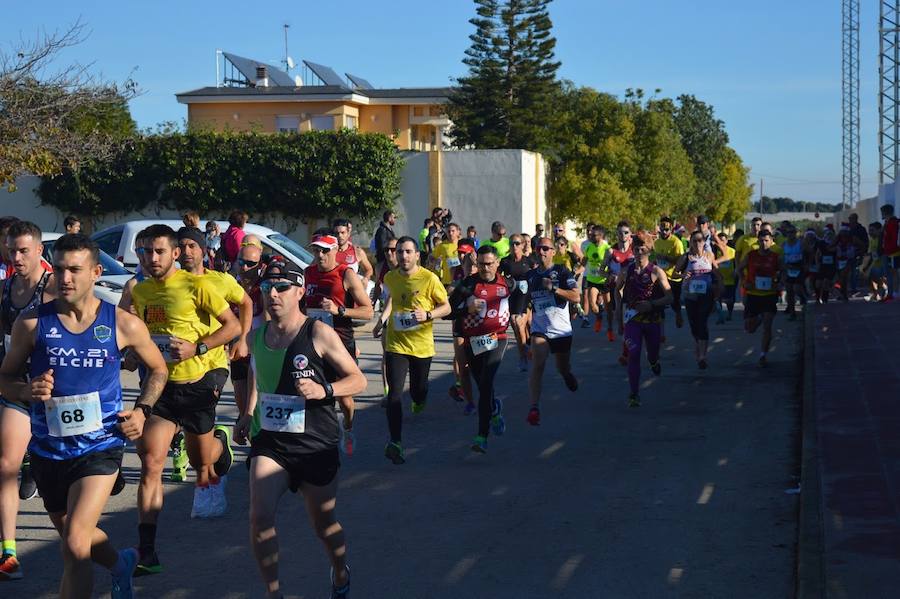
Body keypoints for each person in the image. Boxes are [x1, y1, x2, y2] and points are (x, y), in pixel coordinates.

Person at [0, 233, 169, 598]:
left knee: (74, 544)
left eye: (74, 270)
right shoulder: (31, 324)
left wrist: (142, 410)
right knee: (77, 536)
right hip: (47, 449)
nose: (65, 279)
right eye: (59, 269)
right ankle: (120, 563)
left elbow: (158, 369)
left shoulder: (123, 323)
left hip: (100, 445)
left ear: (95, 273)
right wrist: (26, 391)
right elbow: (6, 378)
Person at [233, 266, 366, 599]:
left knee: (324, 525)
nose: (273, 294)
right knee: (259, 516)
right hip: (271, 442)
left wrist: (325, 390)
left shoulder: (318, 333)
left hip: (315, 444)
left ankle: (339, 569)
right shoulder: (256, 335)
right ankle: (273, 593)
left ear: (299, 291)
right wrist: (247, 414)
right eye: (267, 286)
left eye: (281, 287)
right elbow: (256, 375)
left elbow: (358, 380)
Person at [129, 224, 240, 575]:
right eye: (145, 251)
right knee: (151, 462)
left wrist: (198, 347)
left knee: (200, 460)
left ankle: (220, 445)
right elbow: (133, 329)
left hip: (196, 385)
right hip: (160, 388)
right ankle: (146, 550)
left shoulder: (197, 286)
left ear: (175, 253)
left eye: (158, 251)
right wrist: (132, 351)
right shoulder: (139, 290)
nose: (151, 258)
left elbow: (233, 325)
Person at [0, 221, 57, 580]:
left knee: (59, 475)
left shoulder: (53, 289)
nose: (16, 257)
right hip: (17, 387)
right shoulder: (5, 289)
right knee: (5, 463)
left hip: (56, 392)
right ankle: (8, 550)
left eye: (23, 250)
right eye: (11, 249)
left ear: (39, 251)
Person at [381, 237, 450, 464]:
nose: (403, 256)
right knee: (394, 395)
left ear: (417, 255)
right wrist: (381, 320)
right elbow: (391, 298)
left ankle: (420, 398)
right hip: (396, 343)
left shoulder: (429, 278)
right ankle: (396, 442)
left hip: (421, 345)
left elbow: (446, 306)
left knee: (418, 390)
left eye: (408, 251)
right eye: (400, 252)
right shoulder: (390, 277)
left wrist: (428, 315)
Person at [303, 231, 373, 455]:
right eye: (316, 250)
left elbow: (368, 312)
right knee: (313, 394)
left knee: (344, 398)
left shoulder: (346, 274)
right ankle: (320, 439)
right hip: (312, 343)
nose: (320, 255)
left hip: (340, 343)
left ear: (335, 251)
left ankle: (348, 426)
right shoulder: (308, 273)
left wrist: (339, 310)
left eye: (325, 250)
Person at [447, 245, 511, 453]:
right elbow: (448, 312)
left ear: (497, 263)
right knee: (481, 384)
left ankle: (482, 436)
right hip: (473, 341)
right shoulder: (468, 285)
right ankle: (494, 409)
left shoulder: (507, 283)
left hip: (497, 338)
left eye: (489, 263)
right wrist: (467, 308)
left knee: (485, 383)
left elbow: (520, 297)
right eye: (481, 264)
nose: (485, 268)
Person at [524, 237, 580, 426]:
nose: (542, 251)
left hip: (561, 331)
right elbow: (526, 301)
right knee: (538, 364)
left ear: (553, 252)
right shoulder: (530, 276)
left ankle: (566, 375)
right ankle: (534, 407)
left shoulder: (562, 271)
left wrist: (555, 289)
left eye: (546, 248)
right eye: (539, 248)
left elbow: (576, 297)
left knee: (562, 368)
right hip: (540, 330)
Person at [615, 232, 672, 407]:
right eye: (637, 249)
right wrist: (619, 317)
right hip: (633, 321)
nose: (639, 253)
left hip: (652, 321)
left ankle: (654, 361)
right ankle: (634, 393)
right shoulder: (626, 271)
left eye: (643, 250)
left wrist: (652, 304)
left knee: (652, 353)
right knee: (633, 354)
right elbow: (617, 292)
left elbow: (669, 297)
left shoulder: (656, 271)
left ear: (649, 251)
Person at [674, 231, 721, 369]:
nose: (698, 243)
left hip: (706, 295)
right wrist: (683, 275)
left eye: (700, 240)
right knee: (694, 325)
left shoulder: (709, 256)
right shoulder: (686, 257)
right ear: (691, 243)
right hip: (690, 296)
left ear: (704, 241)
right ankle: (698, 344)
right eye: (694, 240)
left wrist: (718, 289)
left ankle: (702, 356)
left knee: (702, 322)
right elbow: (674, 273)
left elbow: (716, 273)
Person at [738, 229, 782, 366]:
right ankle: (759, 318)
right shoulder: (751, 255)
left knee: (767, 326)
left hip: (769, 295)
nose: (764, 243)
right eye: (761, 240)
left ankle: (763, 354)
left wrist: (780, 284)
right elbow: (739, 269)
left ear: (771, 241)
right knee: (750, 328)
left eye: (767, 240)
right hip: (753, 295)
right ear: (758, 241)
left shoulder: (775, 256)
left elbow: (783, 271)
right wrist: (744, 282)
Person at [499, 233, 537, 372]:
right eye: (511, 243)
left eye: (517, 243)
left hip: (526, 297)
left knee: (520, 322)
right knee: (516, 327)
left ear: (522, 245)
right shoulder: (505, 262)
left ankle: (523, 355)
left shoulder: (529, 261)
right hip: (511, 297)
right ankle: (525, 348)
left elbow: (536, 276)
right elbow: (498, 278)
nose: (514, 246)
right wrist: (509, 283)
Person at [601, 221, 635, 350]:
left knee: (628, 315)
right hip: (616, 286)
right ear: (617, 234)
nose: (623, 235)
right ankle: (620, 327)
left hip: (630, 286)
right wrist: (609, 276)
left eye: (626, 232)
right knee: (619, 313)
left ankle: (626, 346)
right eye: (620, 232)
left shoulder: (634, 249)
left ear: (630, 234)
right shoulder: (611, 251)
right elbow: (601, 270)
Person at [653, 216, 685, 331]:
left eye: (667, 229)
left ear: (671, 229)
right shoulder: (656, 242)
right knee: (659, 305)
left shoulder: (676, 242)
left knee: (674, 302)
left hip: (673, 278)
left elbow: (681, 261)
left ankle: (678, 313)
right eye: (662, 228)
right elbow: (654, 260)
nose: (664, 231)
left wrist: (666, 258)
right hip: (660, 278)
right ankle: (661, 331)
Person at [332, 218, 374, 288]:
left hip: (352, 292)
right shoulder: (328, 252)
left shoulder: (357, 252)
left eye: (342, 233)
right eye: (337, 233)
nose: (339, 236)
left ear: (348, 234)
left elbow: (369, 269)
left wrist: (366, 279)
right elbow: (312, 267)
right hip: (333, 291)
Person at [780, 224, 805, 320]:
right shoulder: (783, 245)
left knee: (797, 288)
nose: (791, 234)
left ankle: (802, 296)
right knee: (789, 292)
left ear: (796, 233)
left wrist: (807, 264)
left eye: (793, 232)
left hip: (799, 269)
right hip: (788, 269)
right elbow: (781, 258)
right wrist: (782, 269)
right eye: (789, 232)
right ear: (786, 234)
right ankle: (792, 312)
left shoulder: (801, 243)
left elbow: (809, 253)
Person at [373, 210, 397, 302]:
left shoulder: (388, 229)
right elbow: (382, 247)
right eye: (394, 217)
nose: (394, 220)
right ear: (389, 217)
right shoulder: (382, 230)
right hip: (385, 262)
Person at [713, 232, 737, 321]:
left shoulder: (732, 251)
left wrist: (736, 270)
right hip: (719, 278)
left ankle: (730, 314)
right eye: (719, 241)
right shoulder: (714, 251)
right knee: (718, 297)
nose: (721, 243)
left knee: (729, 300)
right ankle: (720, 315)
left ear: (726, 241)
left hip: (730, 279)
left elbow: (736, 263)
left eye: (723, 240)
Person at [430, 223, 463, 287]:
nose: (450, 233)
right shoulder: (442, 246)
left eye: (453, 231)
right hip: (447, 281)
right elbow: (432, 257)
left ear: (458, 232)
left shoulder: (463, 244)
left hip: (461, 280)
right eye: (448, 231)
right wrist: (435, 268)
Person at [880, 203, 900, 302]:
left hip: (893, 252)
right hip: (891, 252)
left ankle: (895, 292)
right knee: (891, 273)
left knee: (894, 272)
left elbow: (893, 239)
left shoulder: (892, 223)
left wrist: (889, 250)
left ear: (885, 212)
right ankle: (892, 292)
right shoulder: (889, 223)